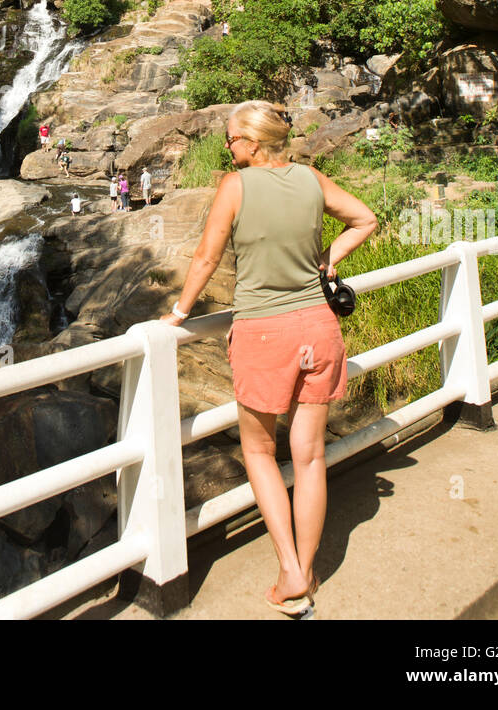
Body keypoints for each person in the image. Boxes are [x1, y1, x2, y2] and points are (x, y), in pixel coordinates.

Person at [159, 100, 377, 616]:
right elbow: (365, 218)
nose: (227, 146)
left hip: (263, 334)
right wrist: (327, 262)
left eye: (232, 139)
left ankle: (291, 572)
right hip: (319, 331)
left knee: (260, 453)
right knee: (310, 456)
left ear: (253, 144)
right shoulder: (310, 178)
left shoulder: (235, 187)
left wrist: (179, 311)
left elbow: (208, 256)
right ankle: (305, 565)